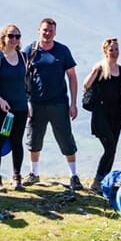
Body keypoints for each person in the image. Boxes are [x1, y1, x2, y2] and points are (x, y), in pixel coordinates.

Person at [22, 18, 82, 190]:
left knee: (66, 139)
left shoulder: (62, 51)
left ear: (55, 32)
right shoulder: (31, 50)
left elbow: (72, 76)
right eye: (44, 30)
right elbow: (22, 75)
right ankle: (34, 173)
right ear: (38, 30)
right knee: (34, 138)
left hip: (59, 103)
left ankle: (73, 176)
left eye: (50, 30)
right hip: (36, 103)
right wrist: (25, 101)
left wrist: (73, 103)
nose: (47, 33)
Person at [0, 24, 29, 192]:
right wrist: (0, 100)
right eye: (11, 36)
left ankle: (17, 177)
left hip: (20, 107)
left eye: (17, 36)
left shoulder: (23, 57)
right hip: (0, 109)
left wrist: (27, 102)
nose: (14, 39)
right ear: (3, 37)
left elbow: (25, 83)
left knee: (17, 142)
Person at [83, 37, 121, 193]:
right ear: (105, 51)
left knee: (113, 149)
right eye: (111, 50)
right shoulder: (100, 68)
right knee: (109, 147)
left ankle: (105, 181)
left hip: (116, 114)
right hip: (100, 113)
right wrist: (95, 70)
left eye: (116, 49)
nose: (114, 52)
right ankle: (97, 180)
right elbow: (86, 85)